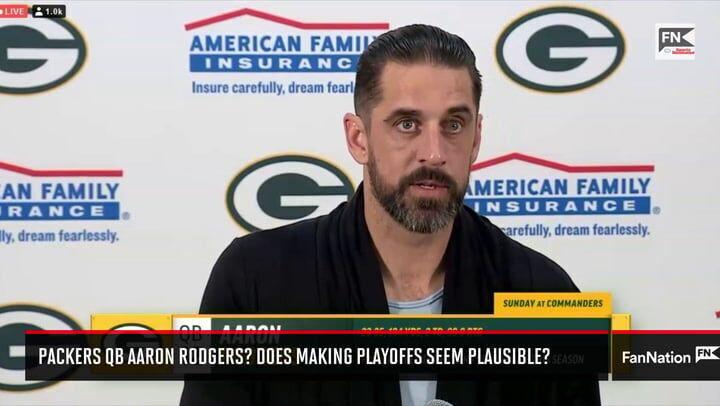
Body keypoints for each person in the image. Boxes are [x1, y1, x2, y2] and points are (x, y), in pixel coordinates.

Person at [181, 24, 600, 406]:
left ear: (476, 140)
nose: (434, 153)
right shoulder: (255, 283)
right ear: (358, 138)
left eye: (454, 124)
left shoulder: (544, 297)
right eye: (406, 124)